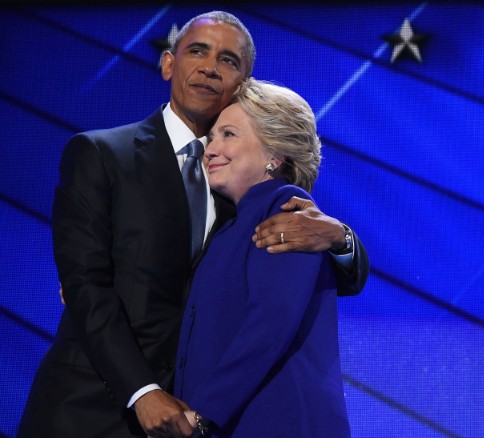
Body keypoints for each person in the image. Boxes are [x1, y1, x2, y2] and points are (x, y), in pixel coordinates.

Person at [18, 11, 367, 438]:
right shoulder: (101, 155)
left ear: (244, 83)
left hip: (196, 416)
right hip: (92, 407)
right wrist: (143, 391)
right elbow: (85, 285)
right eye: (197, 51)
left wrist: (341, 238)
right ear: (168, 63)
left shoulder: (249, 187)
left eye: (228, 60)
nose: (209, 67)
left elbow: (291, 287)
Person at [176, 78, 349, 437]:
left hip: (275, 419)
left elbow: (272, 319)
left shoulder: (285, 207)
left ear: (274, 155)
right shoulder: (234, 223)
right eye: (213, 136)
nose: (210, 148)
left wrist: (204, 413)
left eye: (229, 134)